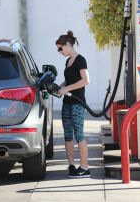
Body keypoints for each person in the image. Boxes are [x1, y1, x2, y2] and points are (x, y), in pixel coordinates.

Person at [55, 30, 90, 178]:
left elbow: (85, 80)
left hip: (77, 103)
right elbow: (69, 81)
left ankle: (85, 167)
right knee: (67, 134)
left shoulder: (80, 60)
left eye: (60, 48)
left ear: (68, 44)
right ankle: (71, 165)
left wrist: (67, 89)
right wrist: (59, 87)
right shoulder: (67, 61)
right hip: (67, 102)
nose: (59, 51)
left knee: (79, 134)